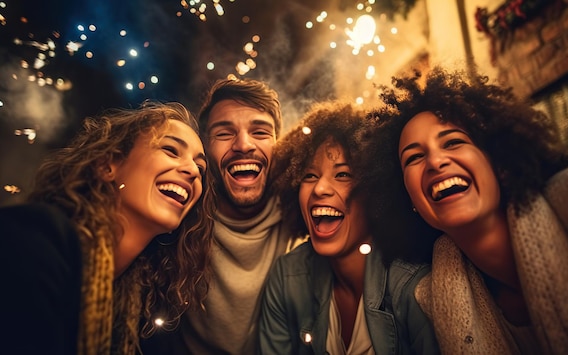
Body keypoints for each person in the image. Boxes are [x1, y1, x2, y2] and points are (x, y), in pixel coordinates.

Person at [367, 66, 568, 354]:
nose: (435, 161)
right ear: (410, 202)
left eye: (453, 142)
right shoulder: (430, 299)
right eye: (414, 157)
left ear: (499, 162)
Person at [0, 101, 215, 355]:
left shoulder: (136, 300)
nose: (192, 171)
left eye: (200, 168)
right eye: (170, 150)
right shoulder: (35, 241)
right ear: (108, 165)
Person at [258, 101, 439, 354]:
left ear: (376, 191)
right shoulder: (288, 278)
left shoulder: (413, 286)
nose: (319, 188)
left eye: (342, 174)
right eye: (309, 175)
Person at [142, 78, 305, 354]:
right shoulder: (178, 220)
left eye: (260, 132)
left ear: (279, 145)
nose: (243, 144)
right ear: (205, 149)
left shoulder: (301, 210)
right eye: (224, 133)